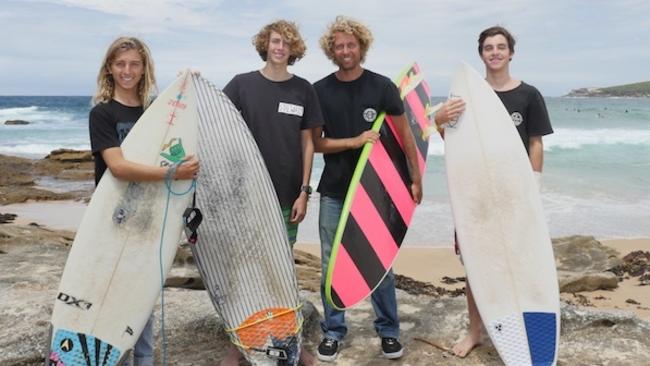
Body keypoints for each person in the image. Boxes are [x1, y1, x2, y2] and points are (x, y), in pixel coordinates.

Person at [311, 16, 423, 362]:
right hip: (334, 190)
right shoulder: (320, 90)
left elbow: (406, 136)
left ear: (361, 46)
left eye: (351, 44)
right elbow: (316, 144)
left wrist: (415, 178)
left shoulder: (382, 87)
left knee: (381, 263)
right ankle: (333, 331)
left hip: (375, 193)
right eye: (339, 46)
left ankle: (388, 330)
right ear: (333, 51)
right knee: (332, 262)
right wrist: (354, 142)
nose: (345, 50)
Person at [89, 36, 199, 366]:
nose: (127, 70)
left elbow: (177, 145)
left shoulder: (156, 112)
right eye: (120, 64)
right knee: (115, 307)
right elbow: (118, 167)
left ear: (144, 68)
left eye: (134, 64)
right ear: (109, 68)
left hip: (151, 221)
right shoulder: (102, 114)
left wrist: (187, 87)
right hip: (113, 221)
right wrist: (172, 173)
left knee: (143, 306)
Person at [221, 20, 324, 366]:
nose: (280, 47)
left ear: (294, 51)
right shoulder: (241, 85)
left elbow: (308, 143)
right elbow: (216, 126)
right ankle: (238, 344)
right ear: (265, 45)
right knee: (245, 271)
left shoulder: (303, 90)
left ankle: (288, 341)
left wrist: (304, 192)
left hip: (286, 197)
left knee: (280, 271)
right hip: (246, 198)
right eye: (275, 41)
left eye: (287, 44)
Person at [451, 25, 554, 358]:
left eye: (500, 47)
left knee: (524, 259)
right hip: (477, 196)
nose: (494, 53)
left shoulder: (529, 95)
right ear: (480, 53)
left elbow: (535, 142)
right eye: (488, 48)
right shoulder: (467, 97)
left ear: (511, 52)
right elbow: (453, 144)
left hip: (515, 196)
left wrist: (533, 185)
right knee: (477, 264)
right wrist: (439, 119)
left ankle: (523, 322)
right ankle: (475, 332)